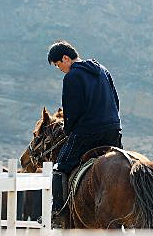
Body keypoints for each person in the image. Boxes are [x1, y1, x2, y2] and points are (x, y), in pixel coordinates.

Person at [47, 40, 122, 216]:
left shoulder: (72, 77)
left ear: (66, 58)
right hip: (113, 131)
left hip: (88, 132)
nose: (60, 70)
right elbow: (116, 101)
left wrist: (69, 131)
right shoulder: (103, 70)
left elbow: (72, 111)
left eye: (59, 65)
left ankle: (58, 211)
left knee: (60, 167)